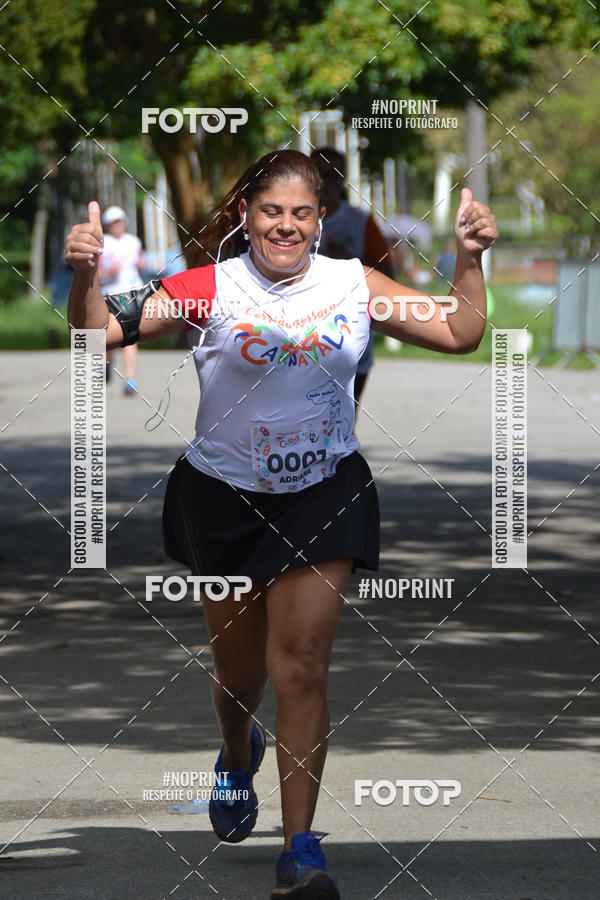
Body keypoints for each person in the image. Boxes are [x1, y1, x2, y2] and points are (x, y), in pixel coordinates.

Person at [66, 149, 497, 900]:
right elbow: (97, 330)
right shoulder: (209, 287)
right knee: (239, 676)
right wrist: (81, 273)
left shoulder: (353, 284)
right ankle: (237, 751)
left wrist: (469, 258)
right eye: (272, 212)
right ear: (246, 216)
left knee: (299, 662)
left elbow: (460, 330)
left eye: (302, 213)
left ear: (320, 220)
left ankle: (301, 853)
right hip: (223, 498)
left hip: (323, 492)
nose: (286, 226)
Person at [310, 148, 395, 407]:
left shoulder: (360, 221)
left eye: (333, 174)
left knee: (345, 416)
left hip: (351, 329)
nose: (327, 182)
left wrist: (349, 261)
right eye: (319, 174)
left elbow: (388, 276)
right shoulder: (294, 219)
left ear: (343, 178)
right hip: (304, 332)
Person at [98, 205, 145, 395]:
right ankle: (108, 364)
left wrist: (143, 264)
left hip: (132, 293)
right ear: (108, 225)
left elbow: (141, 262)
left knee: (130, 337)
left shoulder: (133, 241)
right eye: (113, 223)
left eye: (119, 222)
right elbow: (96, 274)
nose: (117, 226)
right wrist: (110, 271)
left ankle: (129, 380)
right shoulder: (103, 244)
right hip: (110, 294)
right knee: (111, 338)